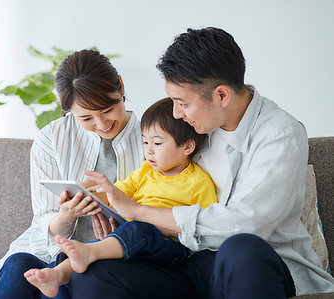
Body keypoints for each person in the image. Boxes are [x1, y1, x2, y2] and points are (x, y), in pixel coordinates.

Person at [68, 28, 334, 298]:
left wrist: (139, 212)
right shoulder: (196, 127)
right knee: (92, 277)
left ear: (221, 95)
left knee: (241, 249)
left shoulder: (279, 134)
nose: (176, 112)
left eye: (181, 102)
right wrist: (98, 198)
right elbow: (158, 176)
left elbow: (248, 225)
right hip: (190, 261)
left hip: (258, 265)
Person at [0, 49, 145, 299]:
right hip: (54, 250)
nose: (102, 125)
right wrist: (67, 215)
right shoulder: (51, 138)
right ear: (67, 110)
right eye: (86, 118)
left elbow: (162, 210)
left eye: (108, 109)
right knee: (17, 265)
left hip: (118, 256)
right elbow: (43, 220)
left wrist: (117, 233)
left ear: (120, 86)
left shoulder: (153, 137)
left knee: (73, 284)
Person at [24, 97, 217, 297]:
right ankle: (58, 274)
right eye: (145, 141)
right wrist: (87, 193)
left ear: (187, 147)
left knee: (136, 229)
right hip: (135, 238)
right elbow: (117, 193)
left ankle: (86, 255)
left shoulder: (198, 181)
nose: (148, 150)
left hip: (170, 246)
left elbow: (207, 226)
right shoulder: (145, 171)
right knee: (97, 246)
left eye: (157, 143)